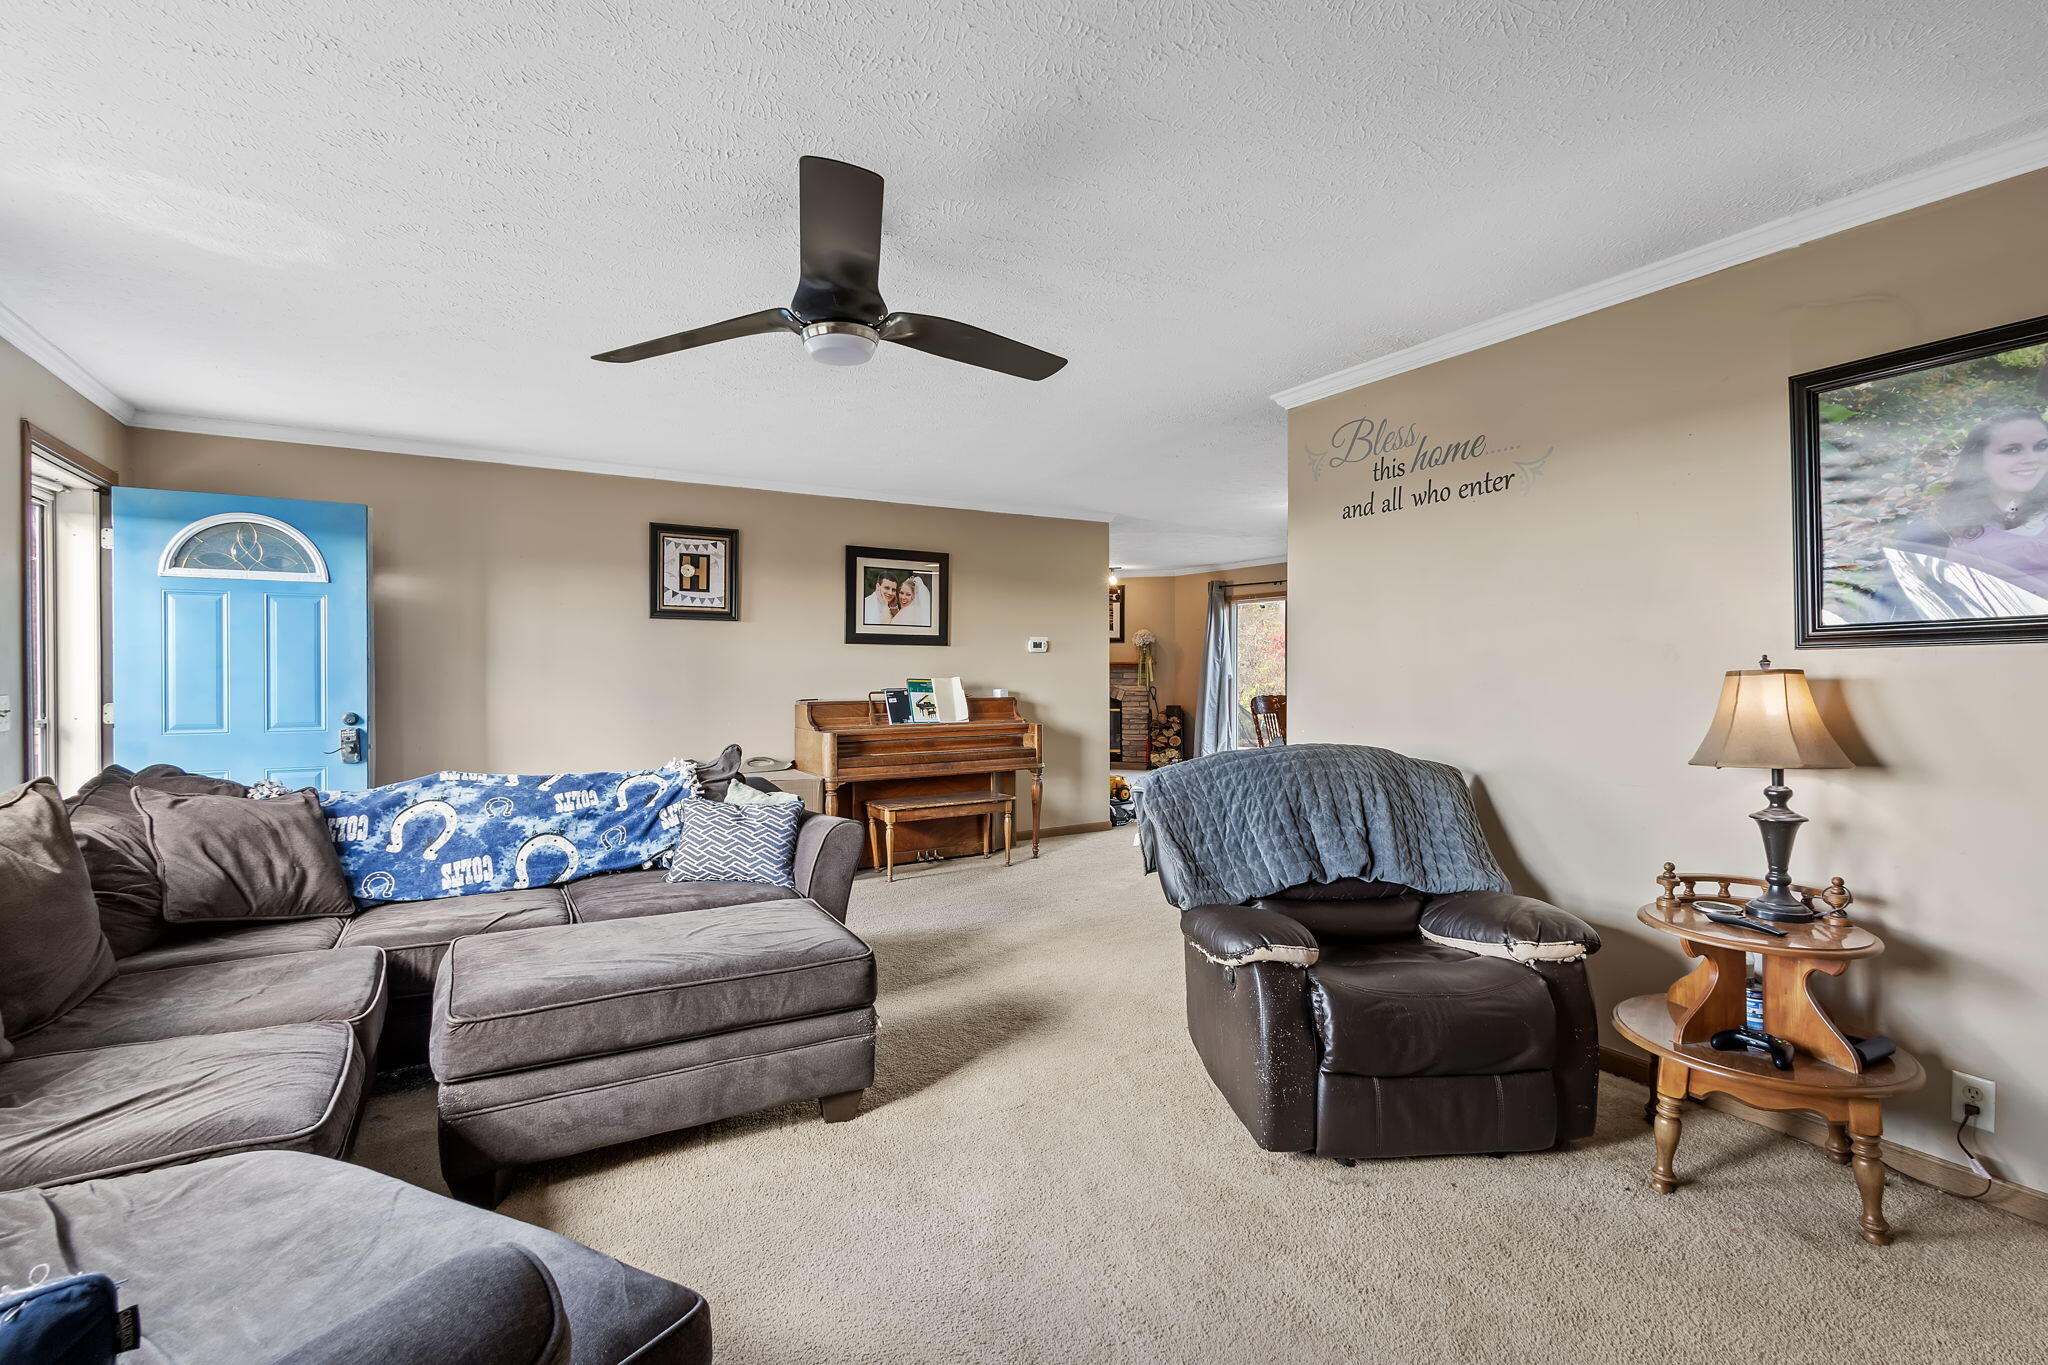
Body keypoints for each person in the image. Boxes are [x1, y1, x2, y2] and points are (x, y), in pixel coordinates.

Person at [1893, 409, 2048, 601]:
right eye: (2012, 450)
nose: (2032, 459)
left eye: (2042, 446)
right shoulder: (1936, 530)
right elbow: (1908, 607)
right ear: (1978, 460)